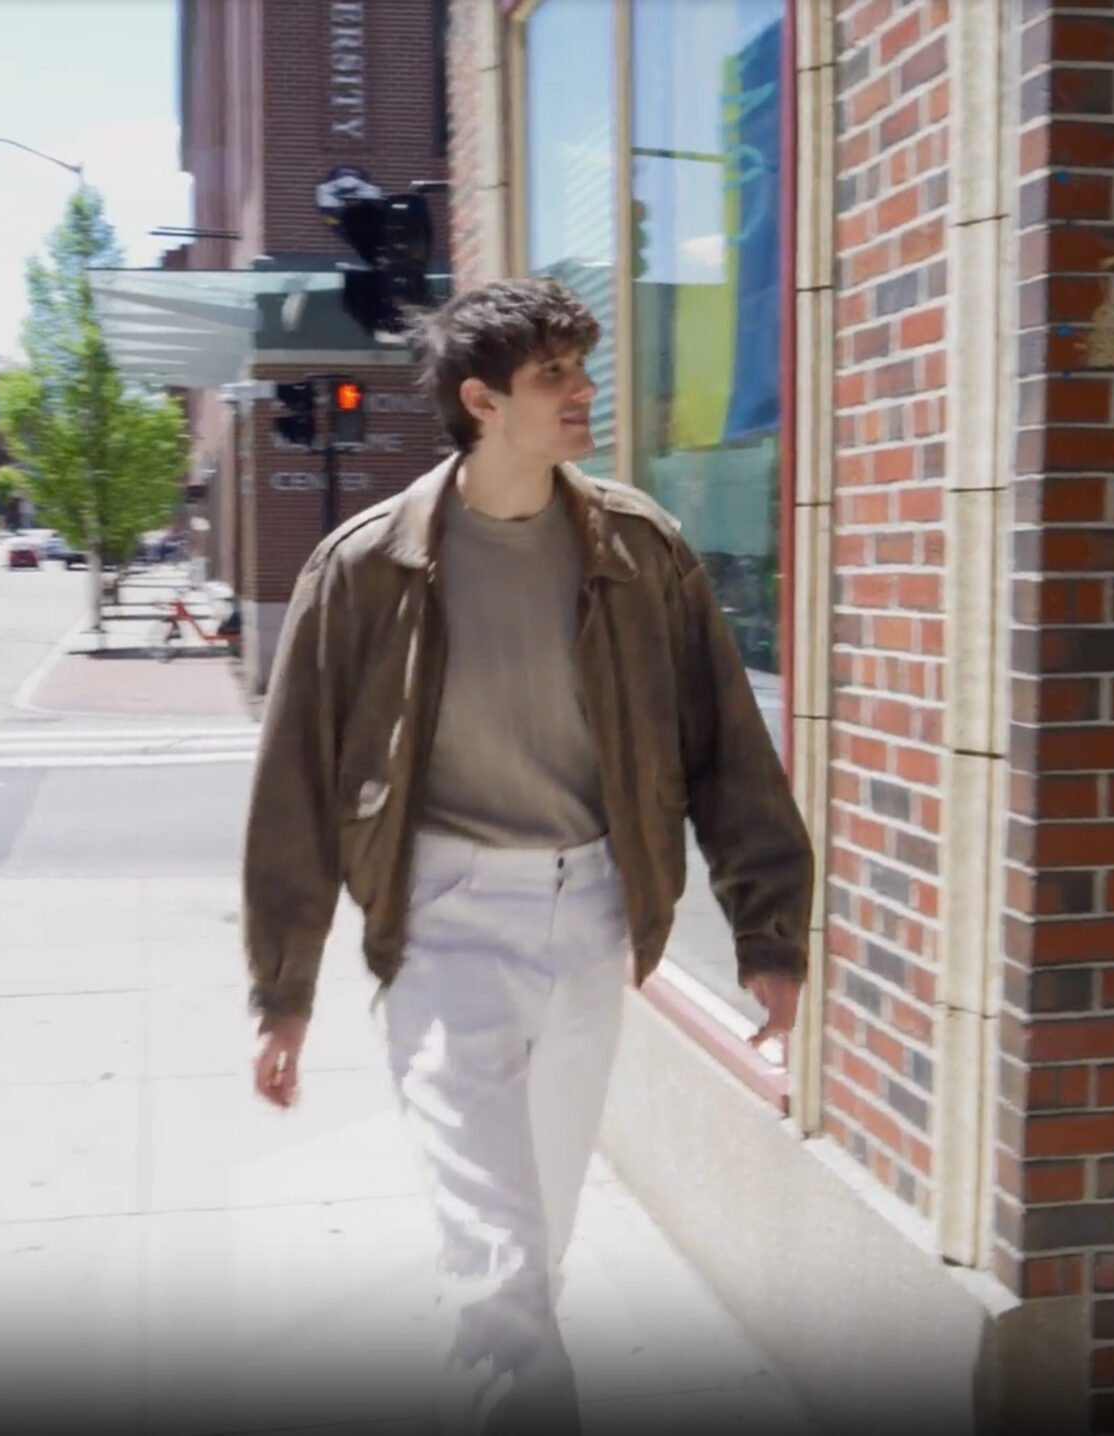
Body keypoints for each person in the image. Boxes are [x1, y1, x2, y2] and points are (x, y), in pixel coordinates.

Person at [241, 275, 813, 1434]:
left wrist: (767, 929)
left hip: (591, 914)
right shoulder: (365, 566)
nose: (582, 391)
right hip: (445, 927)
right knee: (500, 1274)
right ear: (479, 399)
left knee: (531, 1252)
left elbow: (725, 745)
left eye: (578, 368)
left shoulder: (637, 548)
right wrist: (283, 988)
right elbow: (293, 782)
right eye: (553, 374)